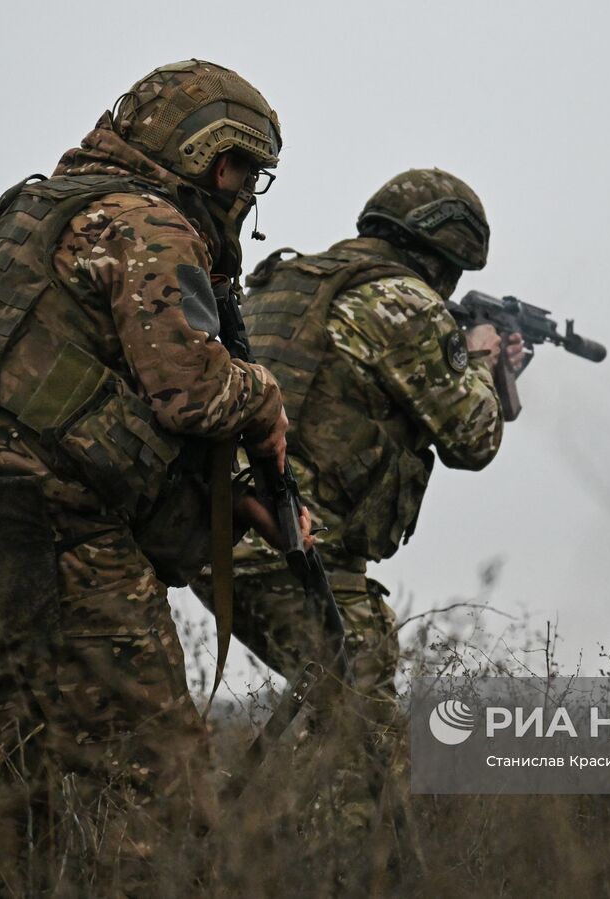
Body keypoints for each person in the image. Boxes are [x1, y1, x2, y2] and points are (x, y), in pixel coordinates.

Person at [0, 59, 292, 890]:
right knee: (166, 790)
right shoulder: (145, 222)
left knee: (7, 793)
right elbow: (195, 392)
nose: (240, 190)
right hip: (55, 525)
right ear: (207, 155)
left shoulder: (41, 211)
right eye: (240, 168)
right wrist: (264, 395)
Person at [190, 167, 522, 834]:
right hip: (295, 549)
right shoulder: (405, 305)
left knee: (341, 706)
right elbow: (474, 437)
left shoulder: (298, 280)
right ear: (446, 255)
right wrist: (485, 361)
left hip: (216, 533)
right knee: (364, 742)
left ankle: (228, 845)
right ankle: (339, 869)